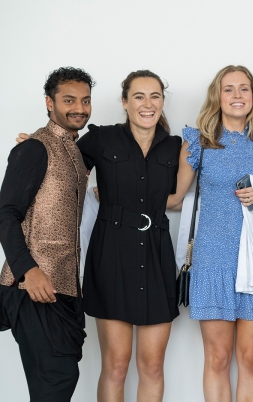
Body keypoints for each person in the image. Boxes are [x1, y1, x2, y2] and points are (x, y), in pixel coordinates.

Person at [166, 65, 253, 402]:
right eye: (228, 89)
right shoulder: (198, 140)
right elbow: (175, 198)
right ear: (217, 96)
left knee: (250, 358)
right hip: (213, 258)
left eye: (243, 89)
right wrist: (118, 193)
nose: (236, 95)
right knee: (217, 359)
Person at [79, 70, 181, 401]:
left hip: (156, 256)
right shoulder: (101, 138)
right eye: (139, 96)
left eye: (155, 96)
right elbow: (61, 165)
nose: (147, 104)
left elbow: (180, 197)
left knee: (152, 365)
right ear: (125, 102)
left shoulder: (175, 147)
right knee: (117, 366)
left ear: (163, 101)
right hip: (111, 255)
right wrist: (36, 145)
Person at [0, 66, 93, 401]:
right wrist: (29, 270)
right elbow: (6, 216)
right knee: (55, 380)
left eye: (85, 100)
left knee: (58, 381)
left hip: (66, 286)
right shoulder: (35, 148)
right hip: (33, 284)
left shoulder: (77, 153)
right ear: (49, 103)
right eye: (69, 100)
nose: (79, 107)